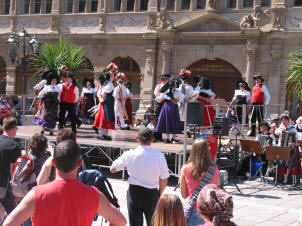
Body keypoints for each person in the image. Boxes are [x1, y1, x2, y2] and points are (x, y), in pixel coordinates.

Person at [3, 140, 127, 226]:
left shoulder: (36, 195)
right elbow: (120, 221)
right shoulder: (94, 195)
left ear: (53, 163)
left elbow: (9, 224)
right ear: (79, 164)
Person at [110, 128, 169, 226]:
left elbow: (112, 169)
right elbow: (164, 179)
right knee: (153, 223)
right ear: (152, 140)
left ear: (137, 139)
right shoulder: (159, 156)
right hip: (152, 194)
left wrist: (122, 158)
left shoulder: (129, 154)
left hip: (134, 193)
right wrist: (159, 194)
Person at [180, 138, 220, 226]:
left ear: (193, 151)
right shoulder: (215, 170)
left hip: (190, 211)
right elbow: (217, 194)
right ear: (207, 151)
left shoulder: (185, 168)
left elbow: (184, 195)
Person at [0, 118, 21, 214]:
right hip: (5, 187)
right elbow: (13, 170)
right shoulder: (14, 147)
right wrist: (17, 191)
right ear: (13, 128)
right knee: (15, 215)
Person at [155, 76, 184, 144]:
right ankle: (173, 138)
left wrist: (168, 98)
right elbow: (182, 97)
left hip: (167, 106)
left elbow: (159, 98)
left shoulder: (166, 91)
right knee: (174, 121)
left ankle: (168, 138)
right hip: (174, 106)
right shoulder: (177, 91)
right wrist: (176, 100)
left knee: (167, 121)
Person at [33, 71, 61, 136]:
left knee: (53, 117)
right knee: (45, 116)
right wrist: (43, 95)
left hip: (54, 104)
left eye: (55, 80)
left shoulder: (58, 88)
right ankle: (43, 130)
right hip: (47, 104)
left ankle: (51, 131)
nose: (54, 81)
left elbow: (58, 96)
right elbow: (40, 94)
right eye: (53, 80)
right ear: (51, 81)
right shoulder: (47, 87)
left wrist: (58, 103)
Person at [93, 71, 115, 140]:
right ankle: (101, 134)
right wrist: (102, 99)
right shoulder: (109, 83)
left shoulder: (104, 83)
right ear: (109, 77)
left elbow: (99, 93)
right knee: (105, 117)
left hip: (105, 102)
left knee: (105, 117)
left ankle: (105, 134)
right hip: (107, 102)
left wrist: (100, 99)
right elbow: (105, 93)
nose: (113, 76)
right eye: (112, 75)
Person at [153, 74, 170, 142]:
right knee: (160, 119)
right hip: (163, 102)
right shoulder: (166, 86)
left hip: (159, 102)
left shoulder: (158, 85)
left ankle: (158, 136)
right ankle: (158, 136)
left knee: (159, 119)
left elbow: (155, 93)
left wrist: (158, 98)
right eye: (167, 78)